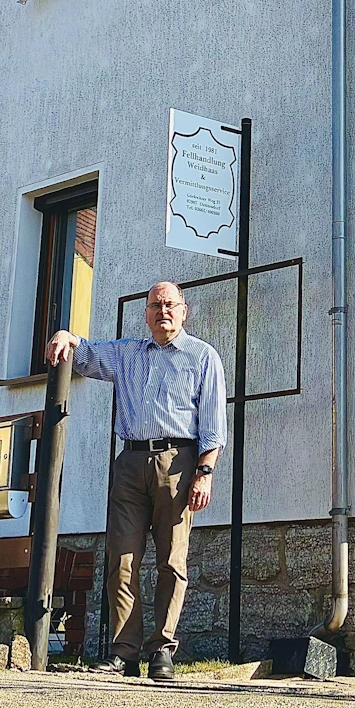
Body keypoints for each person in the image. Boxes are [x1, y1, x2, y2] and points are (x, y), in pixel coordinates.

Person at [46, 279, 225, 680]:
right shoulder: (128, 353)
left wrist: (205, 473)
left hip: (179, 464)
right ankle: (124, 653)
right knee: (121, 560)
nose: (162, 311)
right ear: (145, 313)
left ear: (183, 310)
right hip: (130, 461)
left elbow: (214, 425)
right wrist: (66, 335)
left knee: (171, 562)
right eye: (154, 305)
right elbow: (86, 356)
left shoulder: (202, 356)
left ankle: (162, 650)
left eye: (169, 305)